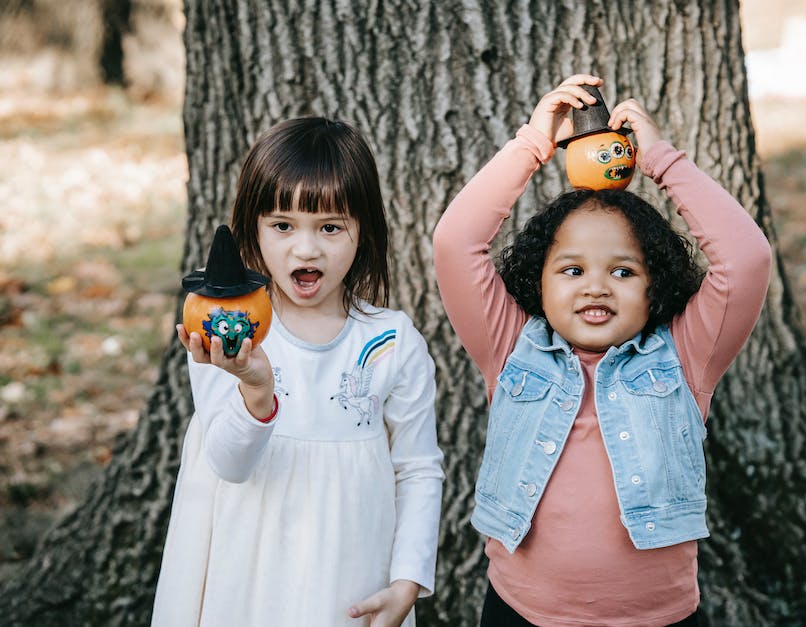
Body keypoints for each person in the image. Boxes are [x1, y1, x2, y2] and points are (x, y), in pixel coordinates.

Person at [433, 74, 772, 626]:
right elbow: (455, 243)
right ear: (537, 283)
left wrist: (661, 159)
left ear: (654, 284)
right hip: (522, 613)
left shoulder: (684, 357)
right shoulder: (511, 348)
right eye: (571, 270)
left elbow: (746, 259)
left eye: (622, 270)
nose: (595, 286)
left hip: (657, 618)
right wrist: (533, 145)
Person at [152, 116, 444, 627]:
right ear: (254, 228)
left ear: (363, 232)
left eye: (331, 227)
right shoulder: (228, 330)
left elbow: (417, 468)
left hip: (350, 576)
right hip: (249, 574)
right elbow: (227, 463)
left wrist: (408, 580)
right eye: (283, 225)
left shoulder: (390, 344)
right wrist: (256, 390)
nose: (306, 249)